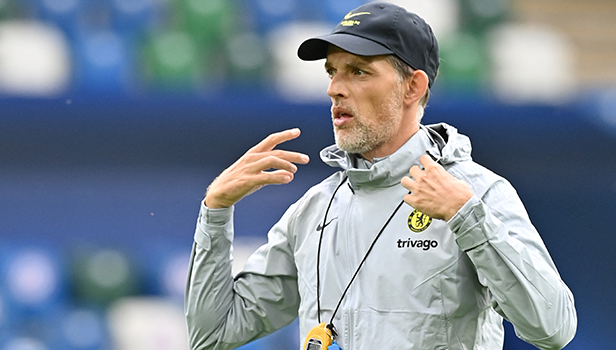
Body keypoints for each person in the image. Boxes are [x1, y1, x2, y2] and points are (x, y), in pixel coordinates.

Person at [185, 2, 577, 350]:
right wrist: (215, 212)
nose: (335, 89)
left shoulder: (476, 193)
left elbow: (554, 329)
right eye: (332, 72)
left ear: (413, 87)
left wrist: (466, 216)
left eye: (358, 71)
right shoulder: (314, 209)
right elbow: (213, 335)